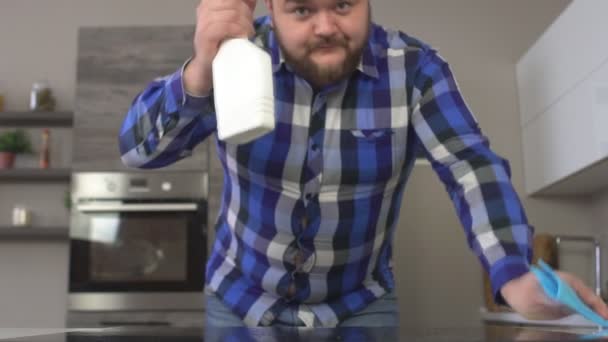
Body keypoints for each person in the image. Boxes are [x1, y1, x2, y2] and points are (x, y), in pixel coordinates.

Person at [119, 0, 608, 328]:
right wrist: (202, 71)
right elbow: (139, 151)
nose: (327, 25)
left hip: (360, 310)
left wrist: (515, 274)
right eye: (303, 8)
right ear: (270, 7)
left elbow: (469, 166)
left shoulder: (415, 69)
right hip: (237, 303)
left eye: (343, 4)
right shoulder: (235, 60)